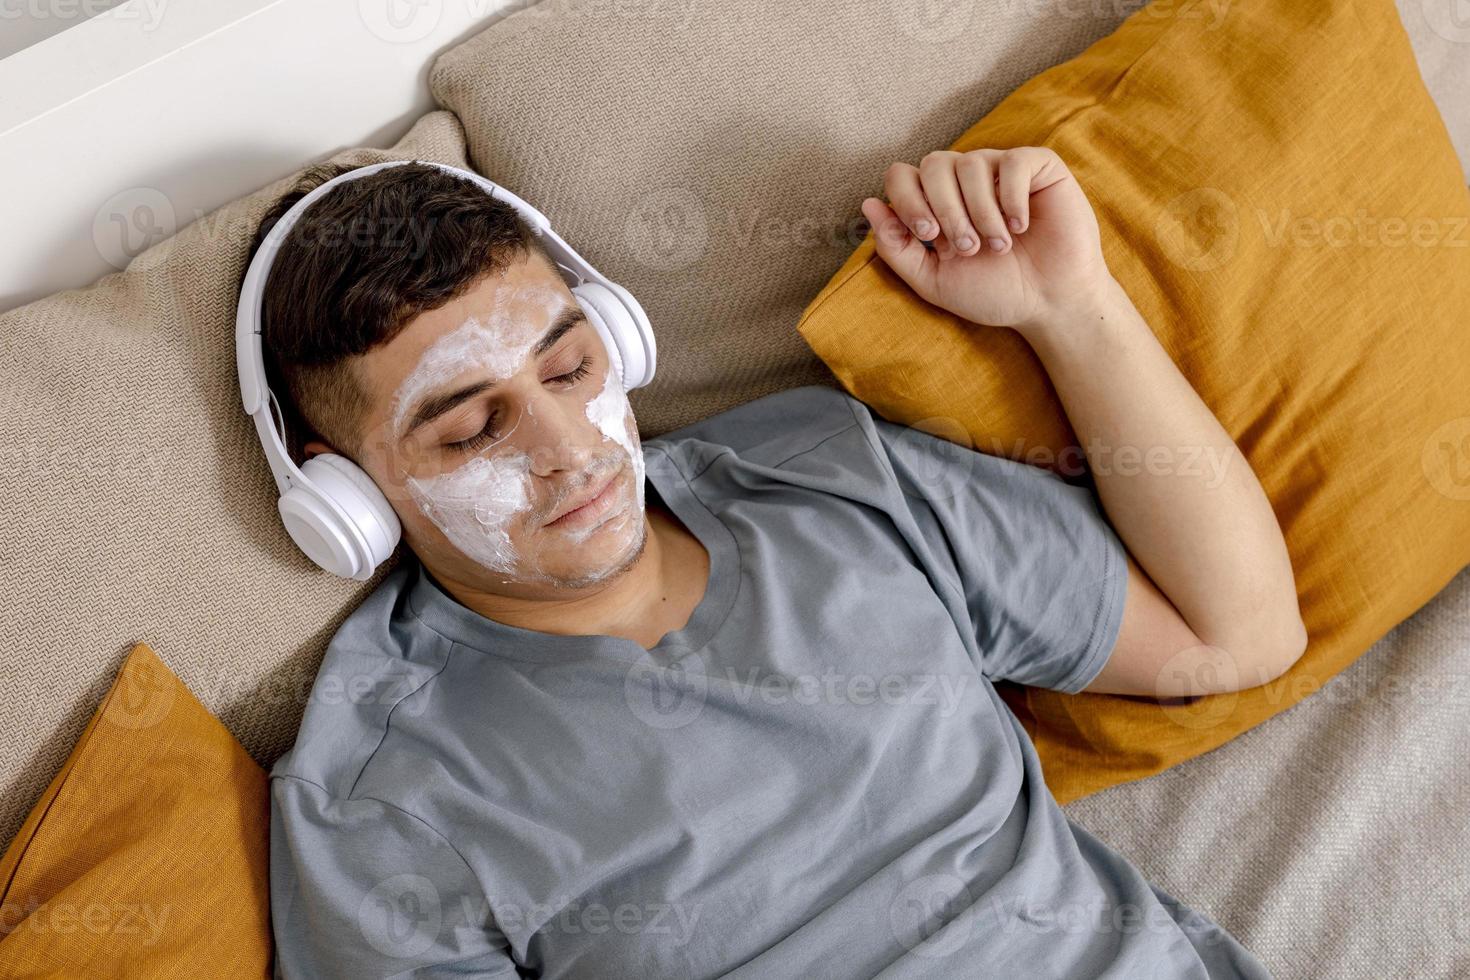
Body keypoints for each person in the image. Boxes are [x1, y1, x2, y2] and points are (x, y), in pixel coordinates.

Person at [258, 147, 1304, 978]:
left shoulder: (824, 472)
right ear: (344, 495)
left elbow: (1240, 633)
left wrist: (1067, 305)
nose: (570, 447)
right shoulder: (381, 798)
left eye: (571, 366)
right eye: (475, 429)